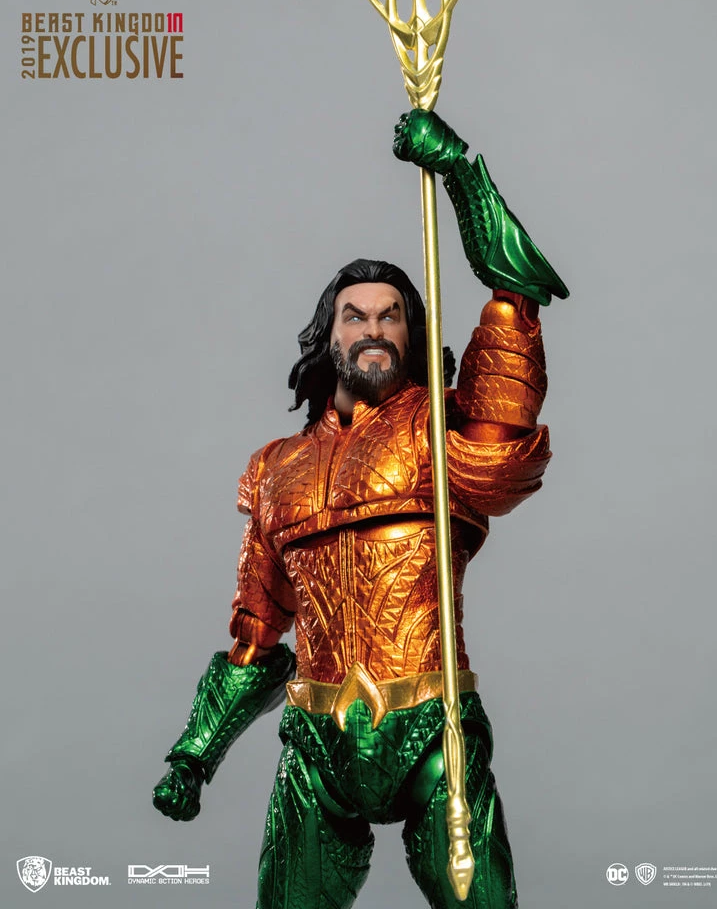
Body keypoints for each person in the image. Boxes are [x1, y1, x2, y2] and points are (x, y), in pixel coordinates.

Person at [152, 110, 568, 909]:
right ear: (329, 335)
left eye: (391, 315)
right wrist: (193, 757)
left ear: (412, 333)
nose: (374, 328)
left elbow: (518, 294)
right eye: (356, 315)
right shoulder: (276, 471)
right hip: (316, 747)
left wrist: (459, 172)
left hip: (434, 732)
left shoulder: (442, 431)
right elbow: (256, 635)